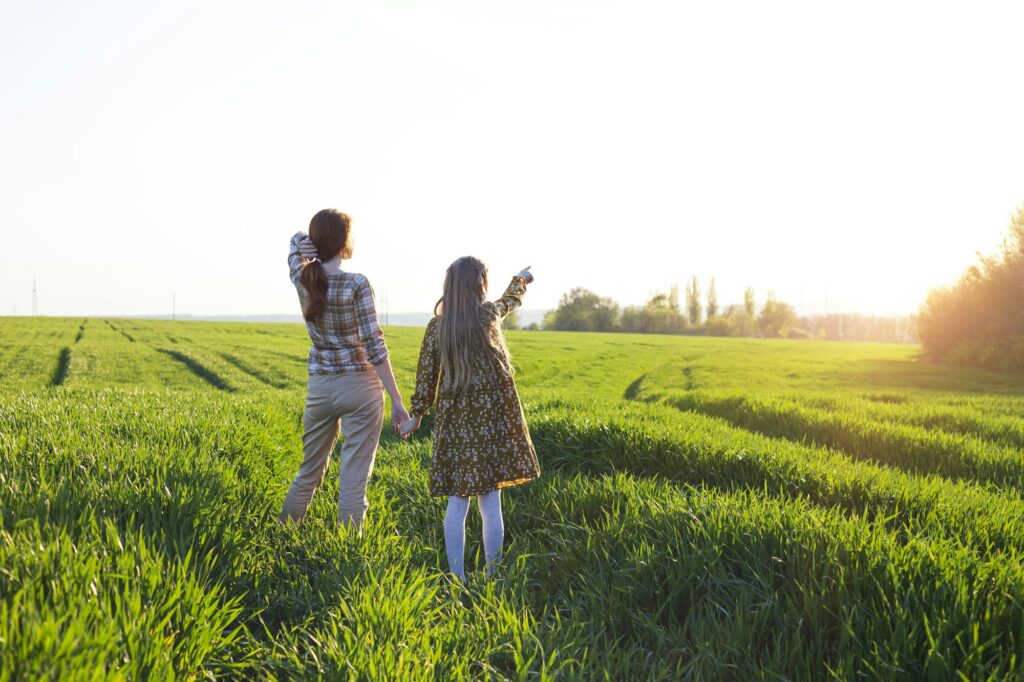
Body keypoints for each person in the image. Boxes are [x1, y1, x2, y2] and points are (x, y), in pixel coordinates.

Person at [399, 257, 541, 581]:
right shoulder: (487, 315)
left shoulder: (438, 327)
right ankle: (493, 575)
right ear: (482, 285)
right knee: (491, 502)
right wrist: (520, 279)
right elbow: (509, 301)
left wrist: (417, 416)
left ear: (449, 287)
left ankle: (457, 577)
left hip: (454, 424)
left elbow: (426, 377)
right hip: (490, 421)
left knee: (457, 501)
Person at [280, 208, 408, 530]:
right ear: (343, 240)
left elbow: (293, 249)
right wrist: (396, 399)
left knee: (309, 469)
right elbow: (374, 344)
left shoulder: (302, 277)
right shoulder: (357, 284)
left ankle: (282, 533)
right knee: (354, 477)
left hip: (321, 387)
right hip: (360, 386)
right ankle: (348, 550)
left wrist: (302, 244)